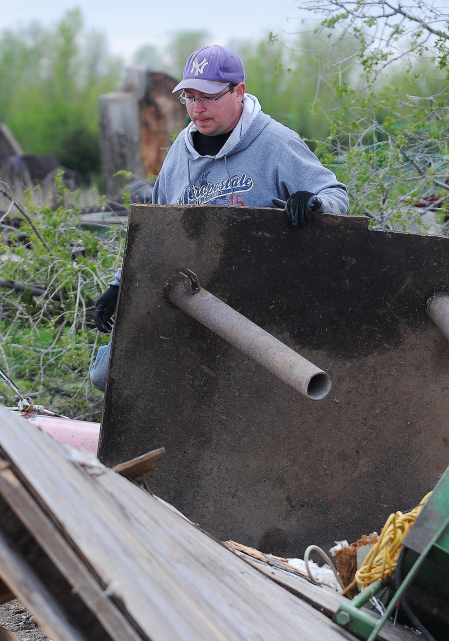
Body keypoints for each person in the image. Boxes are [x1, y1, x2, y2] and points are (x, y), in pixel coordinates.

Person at [90, 45, 349, 391]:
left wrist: (313, 202)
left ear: (238, 91)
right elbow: (153, 231)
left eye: (209, 98)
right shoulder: (178, 156)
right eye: (190, 97)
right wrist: (118, 285)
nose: (197, 109)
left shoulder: (276, 143)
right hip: (191, 295)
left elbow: (336, 195)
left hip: (261, 301)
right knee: (105, 376)